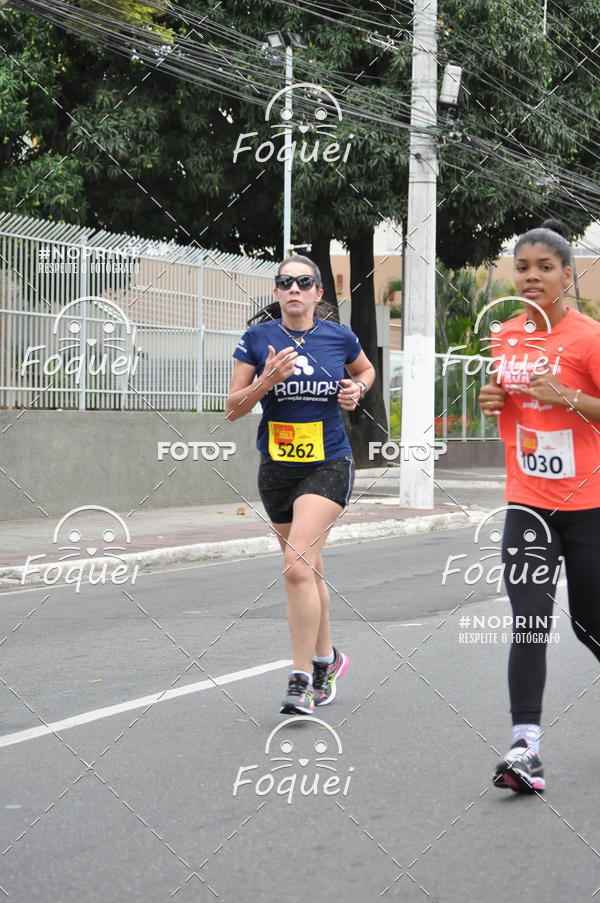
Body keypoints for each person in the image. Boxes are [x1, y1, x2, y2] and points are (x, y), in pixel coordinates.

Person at [479, 219, 600, 793]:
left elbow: (577, 406)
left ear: (566, 275)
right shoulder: (504, 336)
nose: (531, 276)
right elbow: (514, 419)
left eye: (544, 267)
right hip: (528, 502)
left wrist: (569, 396)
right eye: (522, 267)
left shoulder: (589, 337)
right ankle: (525, 747)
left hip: (590, 503)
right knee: (528, 622)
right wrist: (492, 400)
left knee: (588, 623)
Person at [226, 255, 375, 715]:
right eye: (285, 282)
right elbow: (231, 408)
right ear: (276, 293)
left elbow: (364, 371)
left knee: (295, 566)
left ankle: (300, 679)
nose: (294, 289)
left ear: (317, 293)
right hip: (277, 467)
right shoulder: (258, 338)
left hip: (328, 462)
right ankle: (328, 659)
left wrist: (358, 390)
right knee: (307, 568)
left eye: (303, 282)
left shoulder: (338, 336)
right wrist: (267, 380)